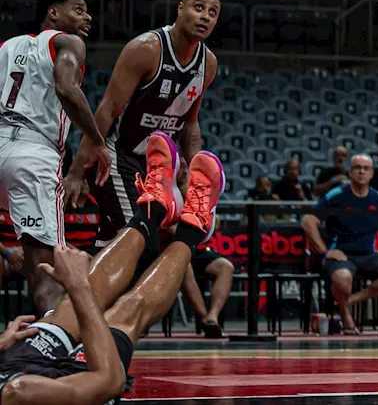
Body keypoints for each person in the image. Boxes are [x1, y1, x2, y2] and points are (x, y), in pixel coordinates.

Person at [0, 131, 224, 405]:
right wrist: (77, 285)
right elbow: (110, 380)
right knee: (127, 311)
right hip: (46, 391)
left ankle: (155, 209)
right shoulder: (17, 393)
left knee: (67, 310)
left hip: (12, 366)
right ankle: (194, 228)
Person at [76, 0, 220, 251]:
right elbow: (106, 110)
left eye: (213, 12)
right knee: (142, 246)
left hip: (156, 167)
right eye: (198, 8)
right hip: (117, 156)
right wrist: (77, 170)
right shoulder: (146, 48)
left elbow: (190, 123)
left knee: (113, 247)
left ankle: (79, 287)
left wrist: (192, 177)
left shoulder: (207, 63)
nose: (205, 17)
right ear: (180, 9)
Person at [0, 0, 110, 315]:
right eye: (78, 10)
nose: (86, 18)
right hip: (34, 155)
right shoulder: (69, 42)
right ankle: (53, 348)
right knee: (48, 270)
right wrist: (97, 140)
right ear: (53, 13)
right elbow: (66, 89)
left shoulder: (7, 46)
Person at [300, 153, 378, 335]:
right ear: (350, 172)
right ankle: (345, 314)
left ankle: (349, 300)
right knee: (342, 277)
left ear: (372, 174)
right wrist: (325, 252)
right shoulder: (336, 195)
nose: (361, 172)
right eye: (357, 167)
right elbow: (308, 222)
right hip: (341, 254)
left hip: (368, 254)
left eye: (365, 168)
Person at [179, 214, 235, 339]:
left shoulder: (201, 199)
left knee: (226, 267)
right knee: (184, 266)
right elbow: (174, 229)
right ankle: (206, 320)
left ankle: (212, 316)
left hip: (201, 250)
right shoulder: (173, 198)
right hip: (177, 247)